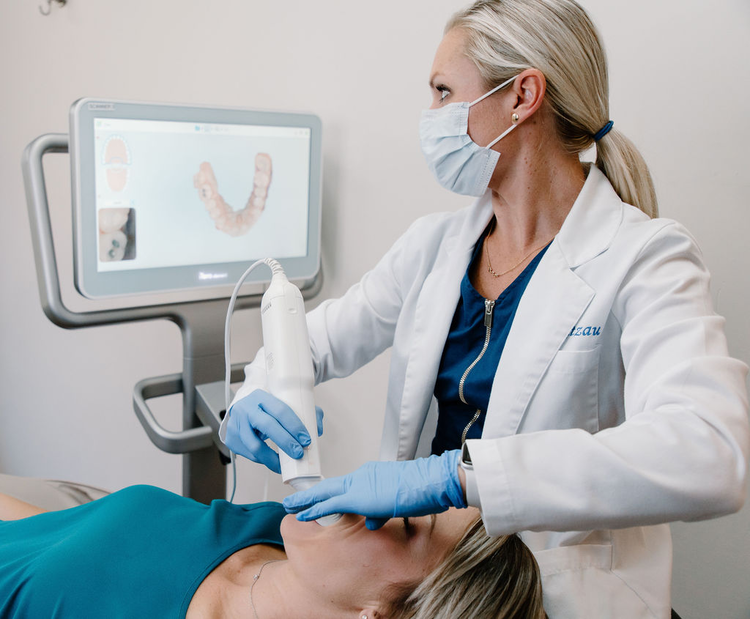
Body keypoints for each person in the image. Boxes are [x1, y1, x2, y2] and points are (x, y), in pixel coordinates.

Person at [220, 0, 750, 617]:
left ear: (523, 96)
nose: (430, 117)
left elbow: (709, 453)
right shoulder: (434, 247)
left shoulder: (646, 258)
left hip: (556, 593)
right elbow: (313, 342)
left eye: (444, 92)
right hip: (422, 586)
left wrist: (458, 477)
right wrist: (255, 396)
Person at [0, 485, 546, 619]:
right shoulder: (267, 527)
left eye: (402, 521)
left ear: (380, 613)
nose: (363, 498)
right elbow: (56, 532)